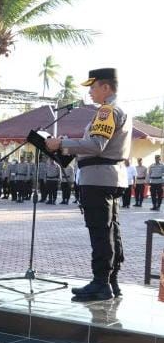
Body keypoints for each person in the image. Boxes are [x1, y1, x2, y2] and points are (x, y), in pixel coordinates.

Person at [46, 68, 131, 301]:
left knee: (100, 231)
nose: (90, 93)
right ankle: (111, 281)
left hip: (97, 178)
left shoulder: (106, 111)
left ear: (106, 88)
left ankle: (101, 283)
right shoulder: (116, 110)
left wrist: (61, 144)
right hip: (109, 177)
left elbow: (95, 145)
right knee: (110, 230)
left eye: (93, 88)